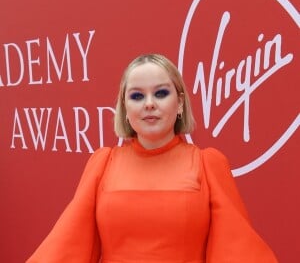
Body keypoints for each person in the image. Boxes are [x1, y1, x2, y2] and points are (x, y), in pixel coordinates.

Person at [26, 54, 278, 262]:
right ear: (125, 108)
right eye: (136, 96)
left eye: (160, 94)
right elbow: (65, 247)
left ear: (179, 103)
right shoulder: (102, 164)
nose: (149, 104)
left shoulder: (208, 164)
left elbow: (238, 251)